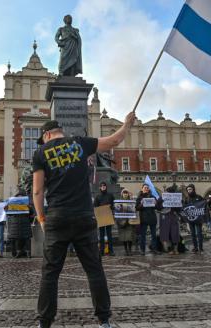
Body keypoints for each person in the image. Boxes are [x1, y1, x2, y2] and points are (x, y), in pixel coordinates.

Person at [32, 112, 135, 328]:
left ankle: (44, 322)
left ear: (47, 134)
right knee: (94, 270)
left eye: (42, 138)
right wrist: (126, 124)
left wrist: (42, 218)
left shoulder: (41, 153)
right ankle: (104, 320)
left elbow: (38, 191)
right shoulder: (80, 143)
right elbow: (115, 140)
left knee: (50, 272)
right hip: (84, 216)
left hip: (57, 217)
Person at [135, 184, 161, 256]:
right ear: (142, 189)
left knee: (154, 235)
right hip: (143, 219)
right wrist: (141, 204)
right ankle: (142, 250)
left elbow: (158, 208)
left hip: (152, 218)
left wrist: (156, 204)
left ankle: (154, 249)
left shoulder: (153, 197)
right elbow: (136, 208)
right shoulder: (139, 197)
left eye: (147, 188)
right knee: (142, 236)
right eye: (145, 188)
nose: (146, 189)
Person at [8, 191, 33, 259]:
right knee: (18, 238)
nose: (20, 198)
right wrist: (7, 208)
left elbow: (31, 213)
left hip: (25, 223)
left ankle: (28, 252)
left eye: (21, 196)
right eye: (19, 197)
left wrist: (29, 207)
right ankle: (18, 252)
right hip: (16, 224)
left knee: (27, 238)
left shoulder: (27, 204)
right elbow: (9, 214)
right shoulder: (13, 205)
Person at [94, 182, 115, 256]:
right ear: (100, 187)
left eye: (104, 185)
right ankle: (101, 250)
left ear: (106, 187)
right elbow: (95, 207)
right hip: (101, 217)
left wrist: (110, 207)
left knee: (109, 234)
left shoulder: (110, 195)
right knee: (101, 235)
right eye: (102, 186)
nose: (103, 187)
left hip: (108, 216)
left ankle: (111, 250)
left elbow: (113, 205)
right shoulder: (97, 196)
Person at [183, 184, 205, 253]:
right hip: (191, 219)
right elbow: (184, 208)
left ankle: (200, 248)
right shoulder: (187, 199)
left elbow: (204, 205)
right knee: (192, 234)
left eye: (190, 189)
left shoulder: (199, 197)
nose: (189, 191)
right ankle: (195, 247)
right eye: (188, 190)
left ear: (193, 189)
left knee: (199, 233)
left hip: (198, 219)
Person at [159, 186, 180, 255]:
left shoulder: (177, 197)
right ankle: (168, 249)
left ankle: (175, 249)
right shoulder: (162, 197)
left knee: (174, 233)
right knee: (165, 233)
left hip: (173, 216)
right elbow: (157, 206)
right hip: (165, 216)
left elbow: (179, 207)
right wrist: (163, 204)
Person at [116, 189, 136, 256]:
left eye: (126, 193)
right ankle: (126, 250)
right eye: (124, 193)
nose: (125, 194)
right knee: (123, 237)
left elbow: (134, 210)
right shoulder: (119, 202)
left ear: (128, 194)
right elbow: (117, 211)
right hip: (121, 221)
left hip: (129, 221)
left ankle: (130, 250)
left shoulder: (131, 201)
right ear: (122, 194)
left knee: (129, 237)